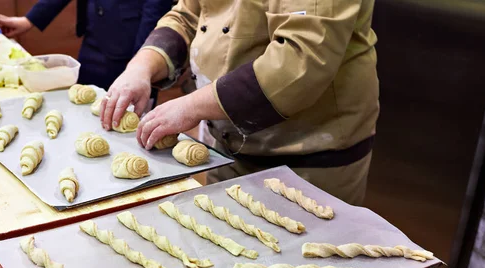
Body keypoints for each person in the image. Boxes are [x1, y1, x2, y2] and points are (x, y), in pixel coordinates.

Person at [99, 0, 379, 205]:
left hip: (307, 162)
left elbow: (299, 61)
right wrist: (142, 66)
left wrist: (192, 106)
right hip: (226, 145)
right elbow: (188, 14)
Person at [0, 0, 173, 89]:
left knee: (127, 122)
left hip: (130, 47)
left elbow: (155, 11)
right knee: (85, 106)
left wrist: (142, 63)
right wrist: (29, 20)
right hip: (92, 38)